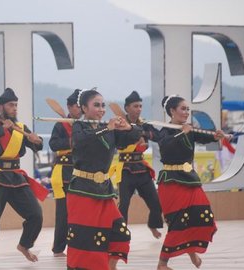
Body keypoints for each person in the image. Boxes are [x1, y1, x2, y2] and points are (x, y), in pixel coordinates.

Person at [66, 88, 139, 270]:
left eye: (103, 105)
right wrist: (107, 128)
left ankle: (110, 266)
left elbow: (135, 135)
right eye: (96, 105)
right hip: (82, 189)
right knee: (85, 239)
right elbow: (81, 142)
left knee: (121, 233)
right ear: (84, 108)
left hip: (104, 191)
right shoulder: (79, 126)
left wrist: (128, 127)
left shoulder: (108, 129)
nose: (101, 109)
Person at [0, 88, 47, 269]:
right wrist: (1, 129)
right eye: (10, 105)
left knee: (36, 215)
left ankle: (24, 245)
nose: (14, 108)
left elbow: (36, 146)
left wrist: (37, 141)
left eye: (16, 105)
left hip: (16, 177)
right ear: (1, 107)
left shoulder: (20, 128)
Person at [156, 95, 225, 270]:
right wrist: (182, 132)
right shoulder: (165, 130)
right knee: (178, 222)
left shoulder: (190, 129)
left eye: (188, 109)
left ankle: (191, 252)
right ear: (172, 111)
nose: (186, 112)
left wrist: (216, 137)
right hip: (171, 183)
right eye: (183, 109)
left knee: (203, 216)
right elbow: (165, 146)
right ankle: (162, 263)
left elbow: (203, 137)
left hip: (190, 180)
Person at [110, 91, 163, 239]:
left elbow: (157, 136)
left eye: (140, 106)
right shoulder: (119, 124)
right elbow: (119, 142)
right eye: (135, 106)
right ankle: (120, 234)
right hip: (126, 169)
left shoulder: (143, 123)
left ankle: (153, 224)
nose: (138, 109)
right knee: (124, 205)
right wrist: (133, 135)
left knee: (156, 203)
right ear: (127, 108)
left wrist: (143, 134)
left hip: (141, 168)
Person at [48, 89, 82, 257]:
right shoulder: (60, 124)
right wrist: (71, 140)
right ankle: (59, 248)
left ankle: (79, 243)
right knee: (63, 212)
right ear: (69, 107)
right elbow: (53, 144)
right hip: (63, 171)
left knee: (81, 210)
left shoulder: (85, 124)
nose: (80, 109)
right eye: (77, 106)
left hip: (81, 170)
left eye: (81, 106)